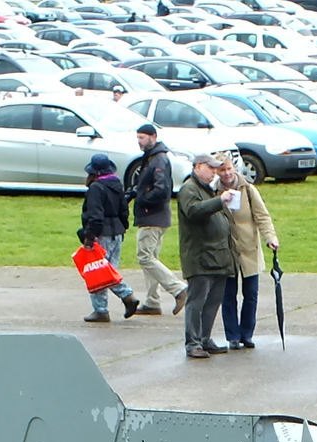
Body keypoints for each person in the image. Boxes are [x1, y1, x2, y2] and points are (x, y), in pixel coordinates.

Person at [176, 153, 235, 358]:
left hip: (218, 256)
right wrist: (220, 201)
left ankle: (204, 338)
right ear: (198, 166)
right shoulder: (189, 189)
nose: (214, 172)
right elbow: (193, 211)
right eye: (211, 168)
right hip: (200, 256)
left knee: (213, 301)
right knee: (197, 301)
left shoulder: (208, 190)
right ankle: (193, 343)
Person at [215, 157, 277, 351]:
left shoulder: (248, 189)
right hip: (227, 251)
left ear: (235, 168)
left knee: (251, 294)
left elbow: (262, 216)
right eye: (222, 170)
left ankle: (247, 333)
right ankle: (232, 336)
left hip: (249, 248)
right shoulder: (213, 193)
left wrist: (270, 238)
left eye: (229, 168)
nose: (226, 173)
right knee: (228, 295)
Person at [127, 123, 184, 316]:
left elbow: (162, 190)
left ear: (153, 136)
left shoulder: (159, 159)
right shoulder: (153, 158)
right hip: (154, 215)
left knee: (145, 256)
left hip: (152, 215)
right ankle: (152, 301)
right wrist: (136, 192)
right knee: (151, 257)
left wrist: (143, 199)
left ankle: (178, 288)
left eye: (142, 138)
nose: (139, 142)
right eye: (138, 138)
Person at [78, 154, 138, 323]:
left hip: (102, 234)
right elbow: (124, 210)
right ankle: (105, 307)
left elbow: (95, 216)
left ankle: (117, 301)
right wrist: (123, 228)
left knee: (98, 273)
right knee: (108, 270)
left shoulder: (96, 188)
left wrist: (90, 237)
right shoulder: (116, 184)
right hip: (117, 232)